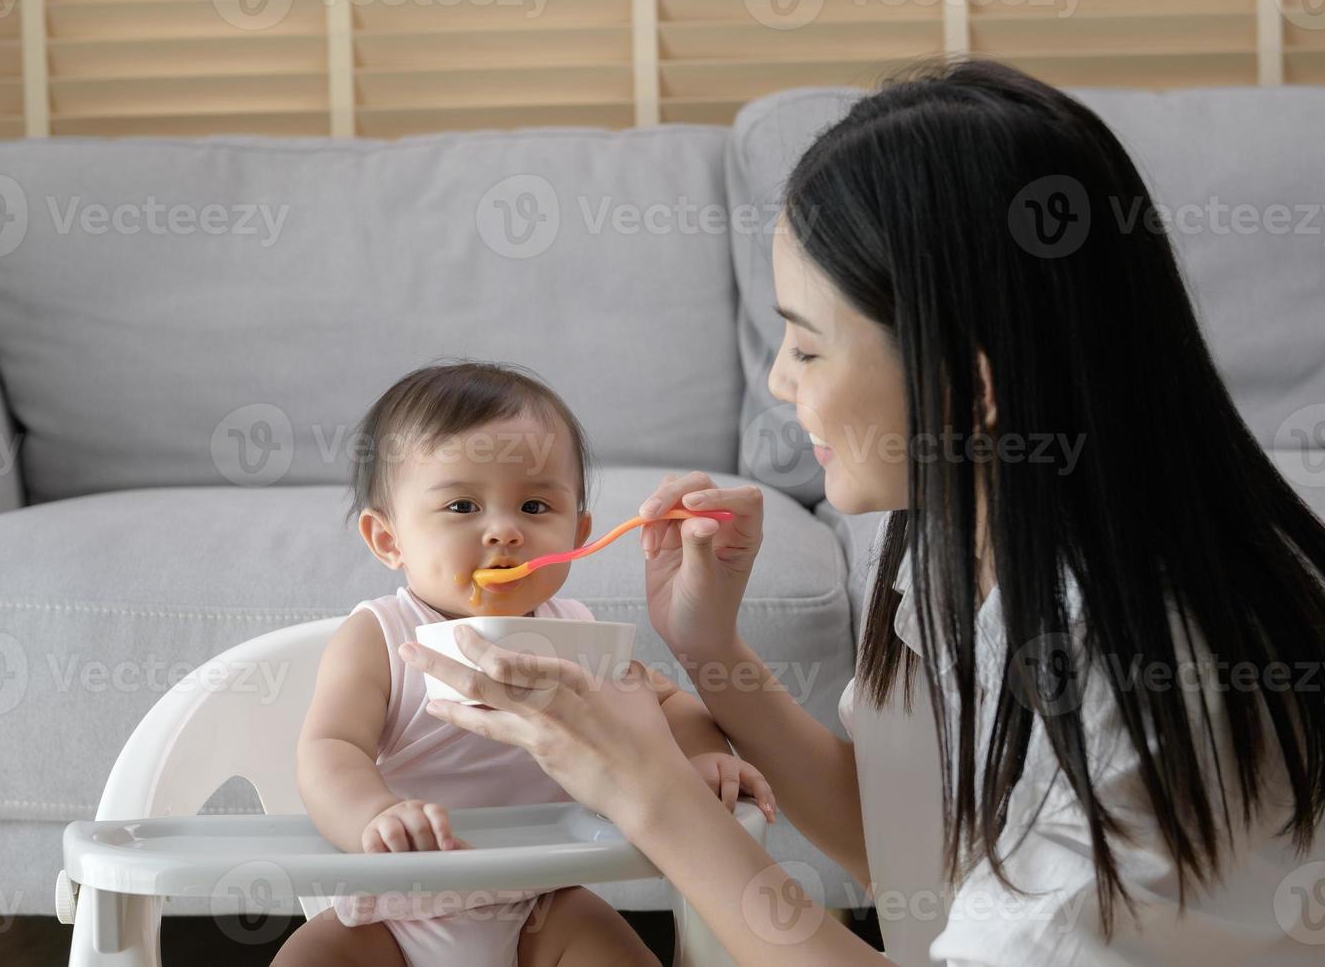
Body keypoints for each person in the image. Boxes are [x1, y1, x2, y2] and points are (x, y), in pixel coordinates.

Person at [406, 58, 1325, 964]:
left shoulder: (1147, 673)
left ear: (967, 384)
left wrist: (649, 793)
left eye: (806, 349)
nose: (775, 382)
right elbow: (916, 852)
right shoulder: (955, 528)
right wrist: (710, 651)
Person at [272, 360, 773, 967]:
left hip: (543, 904)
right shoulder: (380, 635)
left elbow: (663, 703)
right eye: (462, 506)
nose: (505, 531)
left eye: (536, 507)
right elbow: (329, 748)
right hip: (398, 909)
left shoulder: (576, 633)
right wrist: (373, 816)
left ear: (579, 530)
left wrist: (701, 757)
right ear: (388, 539)